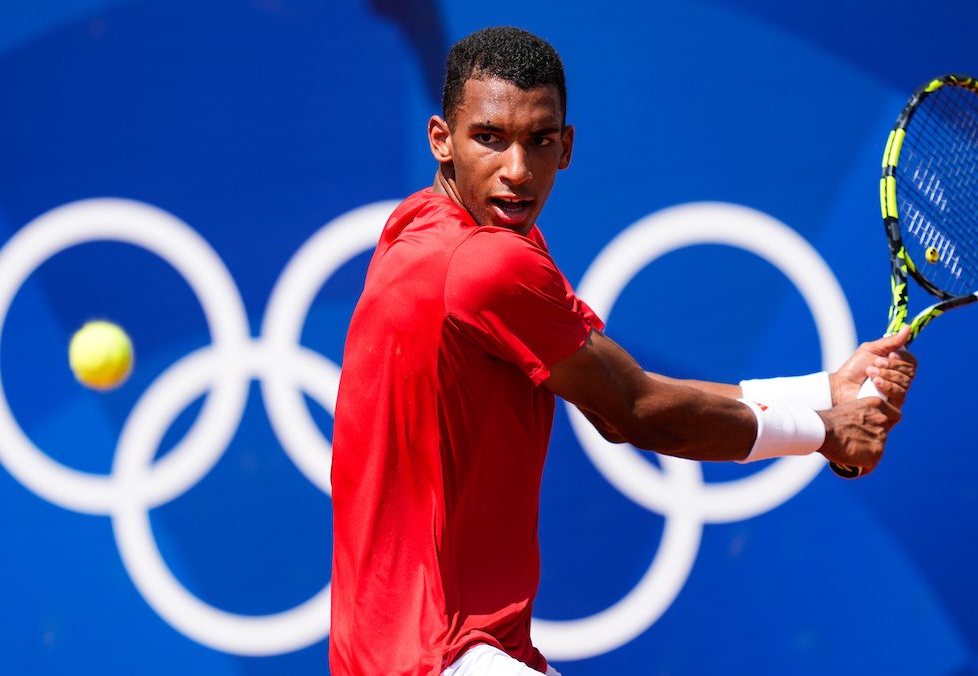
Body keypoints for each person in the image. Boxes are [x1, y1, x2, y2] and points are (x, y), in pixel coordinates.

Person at [329, 26, 916, 676]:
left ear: (567, 145)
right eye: (489, 138)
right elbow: (633, 412)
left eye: (539, 141)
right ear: (442, 138)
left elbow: (625, 382)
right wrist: (824, 432)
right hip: (436, 655)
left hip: (434, 648)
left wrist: (825, 391)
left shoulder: (422, 225)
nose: (517, 170)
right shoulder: (485, 262)